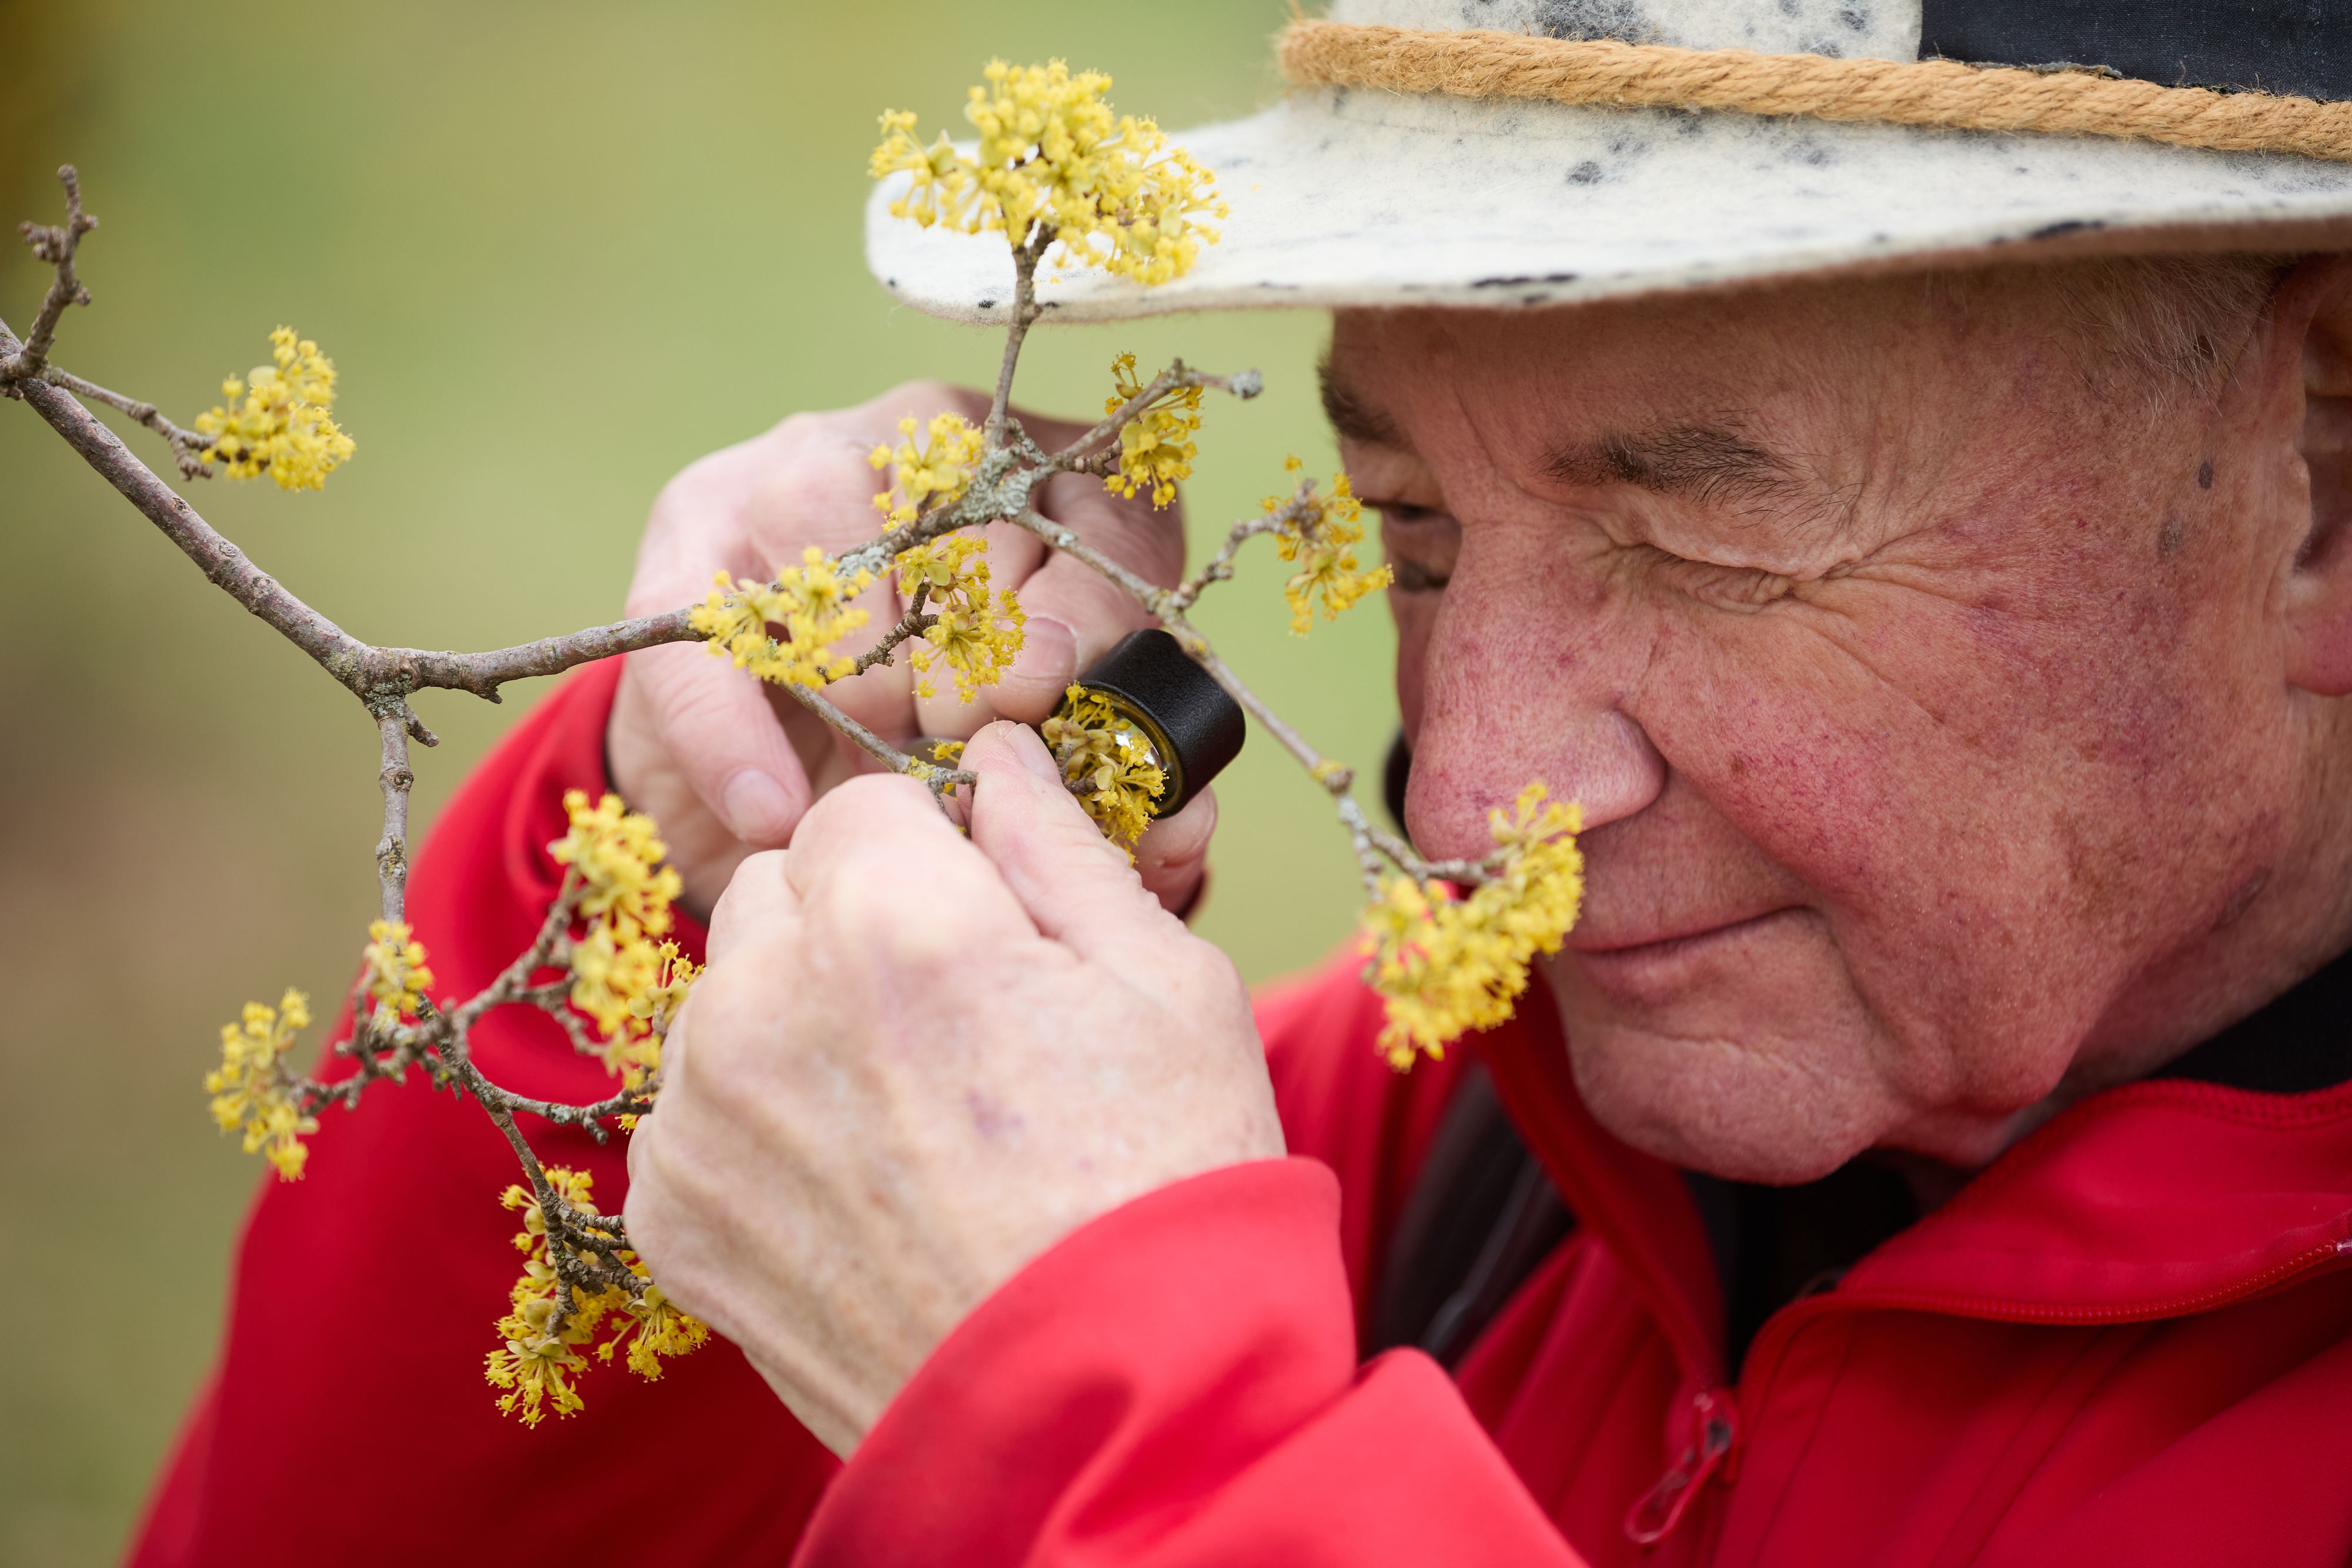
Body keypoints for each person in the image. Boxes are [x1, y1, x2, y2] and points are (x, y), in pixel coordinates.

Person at [133, 4, 2352, 1564]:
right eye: (1416, 532)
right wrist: (678, 898)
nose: (1472, 805)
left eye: (1699, 539)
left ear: (2321, 490)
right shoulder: (1479, 1151)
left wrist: (1105, 1420)